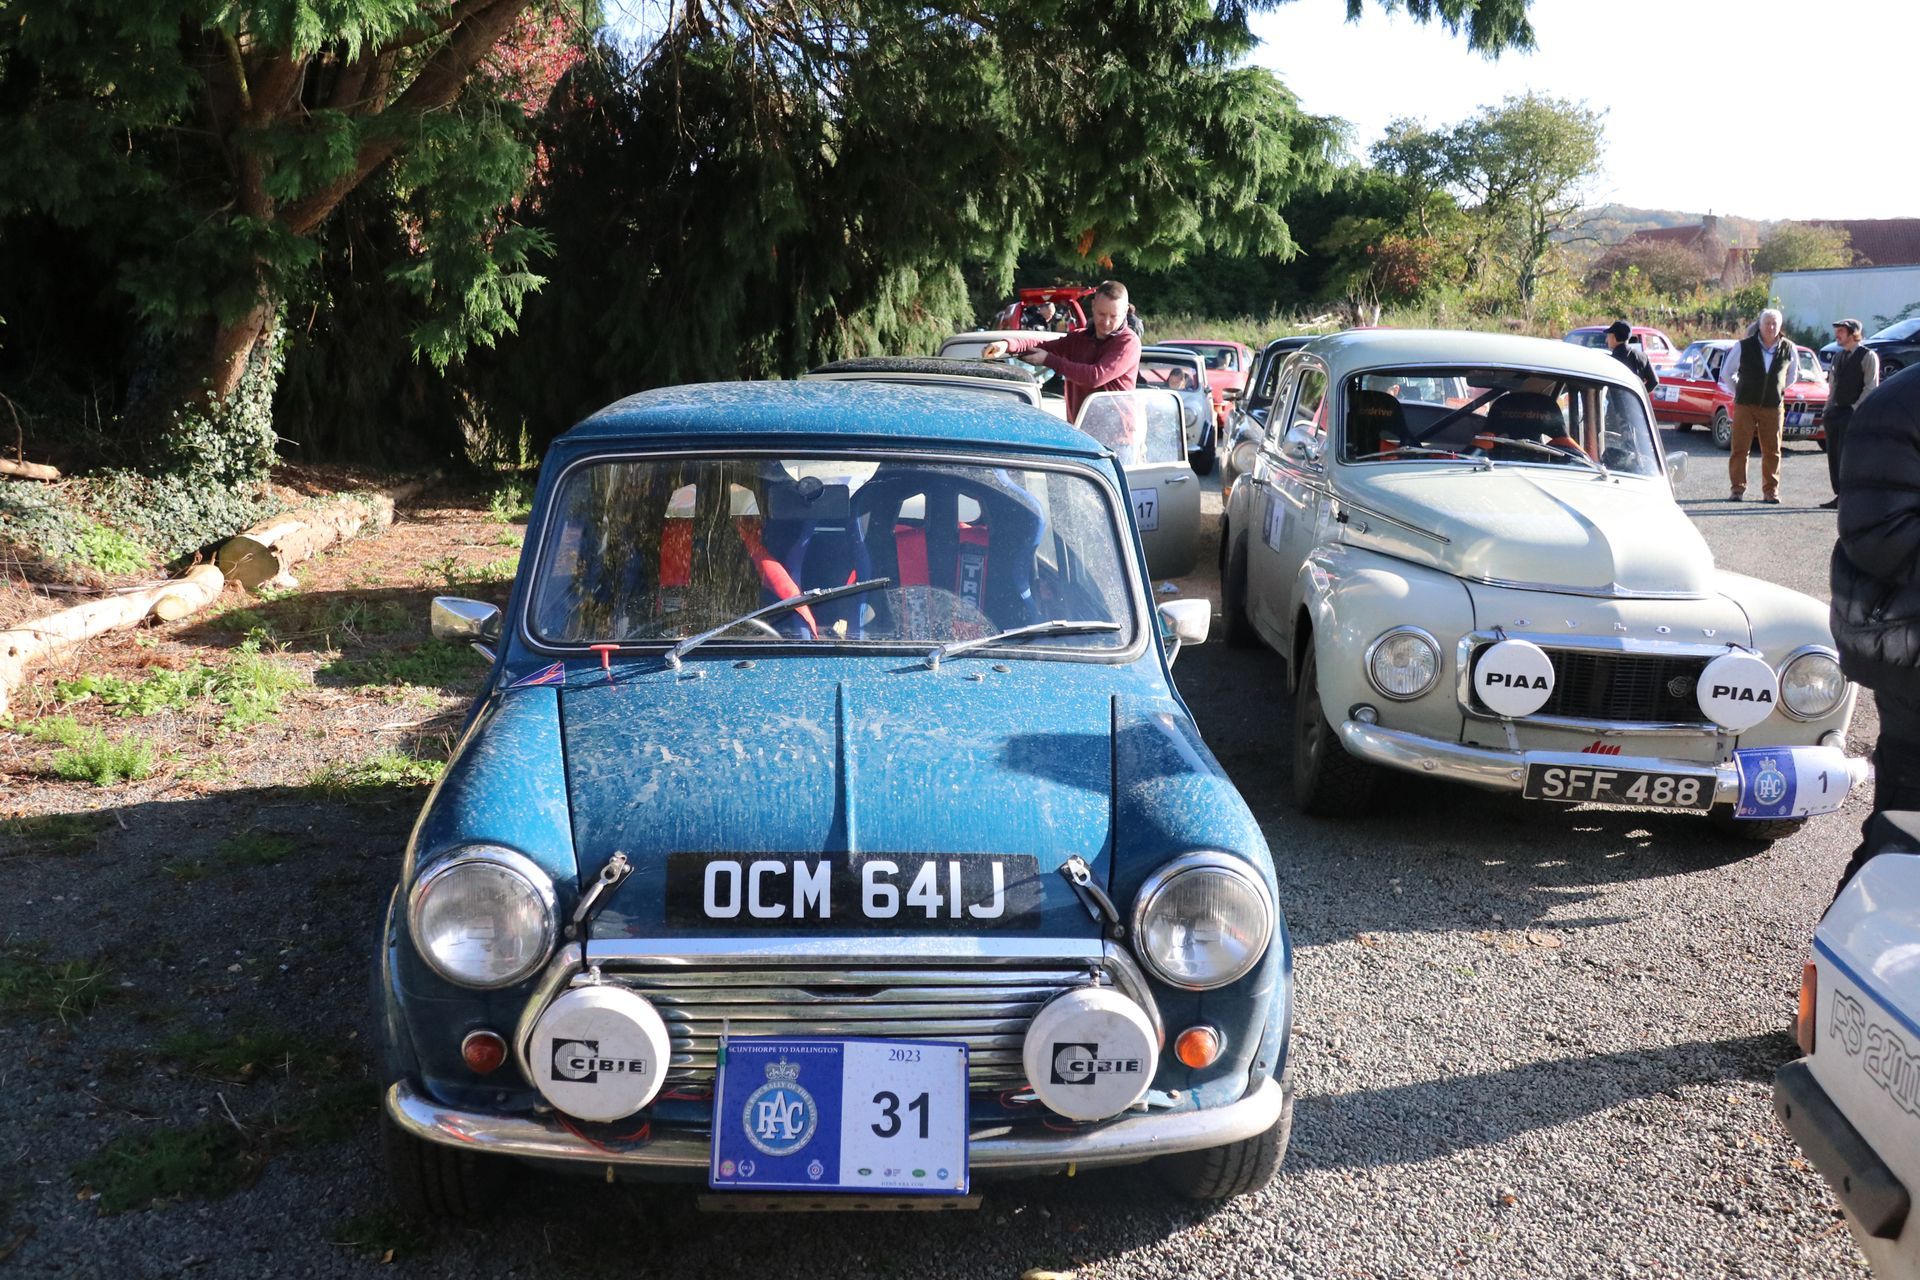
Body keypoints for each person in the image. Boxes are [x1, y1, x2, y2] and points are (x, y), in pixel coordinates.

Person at [1828, 364, 1920, 894]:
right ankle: (1844, 946)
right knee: (1903, 836)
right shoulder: (1897, 405)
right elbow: (1877, 532)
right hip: (1912, 661)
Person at [981, 280, 1140, 419]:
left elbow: (1095, 376)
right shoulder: (1078, 338)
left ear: (1125, 312)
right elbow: (1041, 345)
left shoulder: (1128, 342)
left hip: (1117, 435)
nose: (1106, 322)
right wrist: (1006, 345)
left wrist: (1049, 360)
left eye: (1113, 316)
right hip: (1081, 429)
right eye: (1101, 314)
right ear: (1093, 306)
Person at [1715, 308, 1797, 503]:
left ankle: (1771, 491)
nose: (1771, 327)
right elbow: (1727, 373)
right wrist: (1739, 391)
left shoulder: (1789, 348)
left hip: (1773, 406)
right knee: (1740, 448)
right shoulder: (1743, 346)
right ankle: (1737, 489)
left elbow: (1792, 375)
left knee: (1772, 450)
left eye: (1774, 323)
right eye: (1767, 323)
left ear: (1780, 326)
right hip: (1745, 405)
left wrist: (1777, 390)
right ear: (1759, 325)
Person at [1820, 318, 1881, 509]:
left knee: (1848, 456)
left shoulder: (1868, 356)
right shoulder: (1838, 356)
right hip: (1835, 412)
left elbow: (1871, 386)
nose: (1837, 335)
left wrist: (1854, 408)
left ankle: (1850, 497)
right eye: (1837, 331)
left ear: (1853, 333)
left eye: (1841, 331)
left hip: (1852, 413)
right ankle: (1839, 494)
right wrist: (1827, 409)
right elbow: (1833, 385)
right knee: (1834, 456)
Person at [1604, 320, 1658, 392]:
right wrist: (1639, 393)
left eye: (1608, 336)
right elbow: (1654, 381)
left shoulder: (1610, 360)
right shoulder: (1643, 356)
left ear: (1614, 337)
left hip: (1614, 399)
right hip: (1634, 398)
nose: (1606, 339)